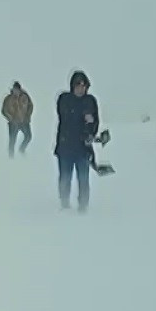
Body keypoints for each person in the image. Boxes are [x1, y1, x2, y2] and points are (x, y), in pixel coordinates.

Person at [54, 70, 100, 212]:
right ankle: (64, 203)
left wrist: (90, 132)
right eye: (78, 85)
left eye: (83, 86)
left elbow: (95, 122)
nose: (81, 89)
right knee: (65, 177)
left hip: (83, 149)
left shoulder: (90, 101)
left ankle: (83, 206)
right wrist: (83, 117)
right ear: (72, 86)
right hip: (66, 147)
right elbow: (65, 116)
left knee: (83, 179)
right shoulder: (65, 99)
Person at [1, 81, 33, 158]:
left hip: (24, 122)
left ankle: (22, 149)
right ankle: (11, 157)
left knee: (28, 136)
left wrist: (27, 117)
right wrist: (10, 118)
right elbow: (4, 110)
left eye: (17, 90)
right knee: (12, 140)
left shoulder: (25, 97)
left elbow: (30, 106)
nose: (16, 91)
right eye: (15, 89)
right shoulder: (8, 99)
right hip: (13, 123)